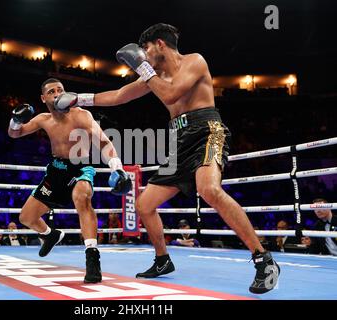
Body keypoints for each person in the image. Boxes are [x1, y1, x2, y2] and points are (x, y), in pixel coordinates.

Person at [55, 23, 280, 293]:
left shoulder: (194, 61)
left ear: (160, 44)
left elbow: (173, 94)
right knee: (144, 205)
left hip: (207, 130)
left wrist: (144, 68)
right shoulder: (155, 76)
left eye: (146, 49)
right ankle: (162, 260)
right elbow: (118, 96)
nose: (145, 56)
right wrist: (78, 99)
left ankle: (263, 259)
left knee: (208, 189)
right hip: (179, 140)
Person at [7, 78, 131, 283]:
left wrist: (117, 167)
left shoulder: (81, 115)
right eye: (52, 91)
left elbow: (103, 141)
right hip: (57, 170)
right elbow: (14, 134)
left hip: (81, 166)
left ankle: (92, 257)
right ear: (43, 98)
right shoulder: (43, 119)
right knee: (26, 218)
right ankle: (49, 235)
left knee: (81, 197)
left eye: (60, 90)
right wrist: (15, 120)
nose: (57, 93)